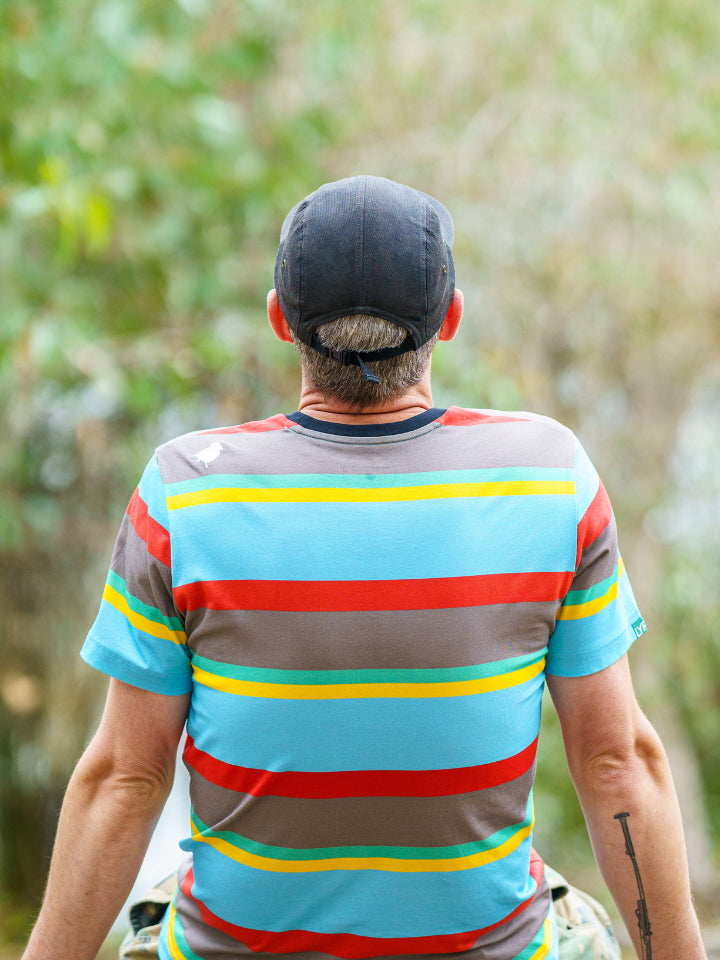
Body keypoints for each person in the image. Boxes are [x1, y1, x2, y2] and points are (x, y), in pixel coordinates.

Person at [22, 175, 706, 960]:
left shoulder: (185, 491)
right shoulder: (550, 476)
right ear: (449, 319)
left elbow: (124, 781)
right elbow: (617, 761)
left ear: (280, 319)